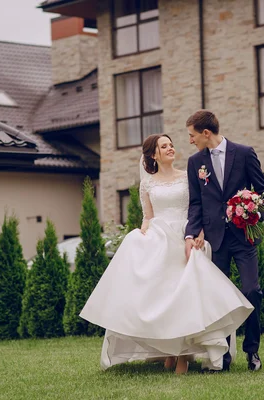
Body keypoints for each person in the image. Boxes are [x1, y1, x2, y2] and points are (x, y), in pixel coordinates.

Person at [80, 133, 253, 374]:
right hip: (160, 235)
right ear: (153, 154)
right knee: (163, 294)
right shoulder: (148, 183)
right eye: (164, 146)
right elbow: (148, 216)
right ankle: (169, 351)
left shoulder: (188, 176)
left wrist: (198, 232)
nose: (171, 148)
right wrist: (142, 231)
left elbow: (198, 208)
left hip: (186, 234)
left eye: (171, 145)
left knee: (185, 294)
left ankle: (184, 354)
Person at [185, 110, 264, 372]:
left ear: (206, 133)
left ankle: (252, 351)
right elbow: (196, 203)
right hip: (215, 239)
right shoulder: (195, 162)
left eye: (192, 135)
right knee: (218, 298)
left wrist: (254, 213)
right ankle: (221, 356)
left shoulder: (244, 153)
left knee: (250, 291)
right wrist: (192, 232)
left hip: (243, 237)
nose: (190, 140)